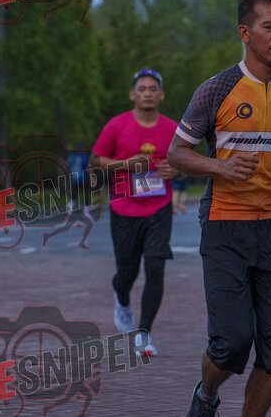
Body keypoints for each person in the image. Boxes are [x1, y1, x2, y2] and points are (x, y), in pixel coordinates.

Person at [168, 0, 271, 417]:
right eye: (269, 27)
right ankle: (207, 395)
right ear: (245, 32)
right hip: (225, 223)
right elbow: (176, 154)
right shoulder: (216, 89)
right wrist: (219, 167)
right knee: (231, 343)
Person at [89, 68, 178, 357]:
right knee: (126, 274)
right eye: (142, 89)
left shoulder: (172, 128)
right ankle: (122, 298)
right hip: (124, 209)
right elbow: (96, 161)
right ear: (132, 95)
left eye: (153, 89)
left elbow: (185, 161)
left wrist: (176, 170)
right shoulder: (117, 125)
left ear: (161, 94)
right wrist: (126, 165)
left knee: (155, 267)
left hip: (159, 208)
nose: (147, 93)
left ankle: (143, 334)